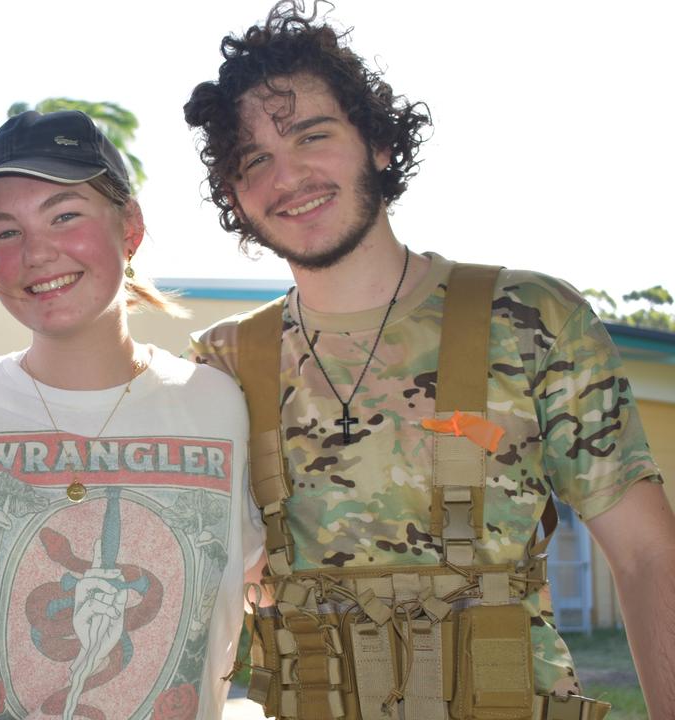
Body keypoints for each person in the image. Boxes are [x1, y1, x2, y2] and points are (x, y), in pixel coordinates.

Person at [184, 2, 674, 718]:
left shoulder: (531, 319)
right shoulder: (222, 362)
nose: (287, 175)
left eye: (311, 135)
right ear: (235, 195)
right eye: (253, 160)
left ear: (379, 143)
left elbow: (646, 555)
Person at [0, 110, 265, 719]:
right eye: (4, 233)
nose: (37, 253)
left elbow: (275, 585)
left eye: (65, 216)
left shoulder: (222, 404)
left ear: (130, 229)